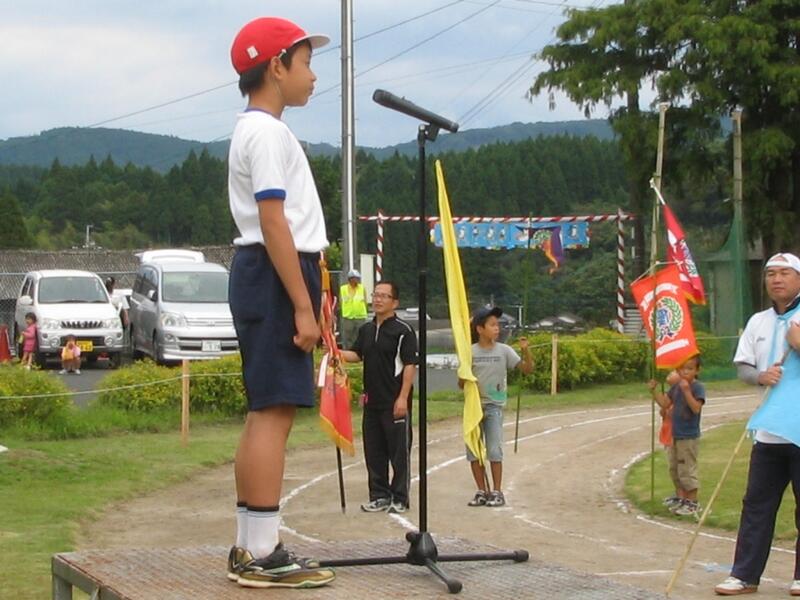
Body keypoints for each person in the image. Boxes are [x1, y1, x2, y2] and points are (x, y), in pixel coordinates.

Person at [225, 16, 335, 589]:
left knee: (264, 409)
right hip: (275, 273)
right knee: (275, 411)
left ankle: (250, 543)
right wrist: (302, 305)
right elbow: (274, 221)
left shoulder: (255, 129)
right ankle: (263, 552)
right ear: (276, 66)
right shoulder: (266, 132)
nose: (313, 76)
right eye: (306, 63)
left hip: (266, 272)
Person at [715, 252, 800, 596]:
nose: (776, 279)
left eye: (784, 273)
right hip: (769, 431)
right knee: (756, 505)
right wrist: (760, 376)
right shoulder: (758, 322)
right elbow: (744, 368)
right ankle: (745, 574)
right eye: (770, 274)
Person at [339, 281, 418, 514]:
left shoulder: (403, 331)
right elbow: (357, 354)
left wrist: (403, 398)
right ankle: (379, 494)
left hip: (394, 401)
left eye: (384, 296)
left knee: (399, 452)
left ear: (395, 302)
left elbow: (410, 365)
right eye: (375, 295)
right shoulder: (367, 329)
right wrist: (336, 352)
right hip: (372, 401)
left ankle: (400, 497)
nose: (378, 299)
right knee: (374, 452)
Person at [463, 306, 533, 508]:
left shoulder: (504, 350)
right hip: (474, 407)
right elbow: (461, 382)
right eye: (492, 325)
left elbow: (527, 369)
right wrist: (466, 377)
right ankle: (481, 491)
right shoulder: (469, 352)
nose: (497, 328)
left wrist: (526, 350)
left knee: (494, 449)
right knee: (474, 451)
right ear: (480, 329)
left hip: (494, 406)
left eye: (498, 325)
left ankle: (497, 491)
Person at [649, 355, 705, 517]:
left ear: (697, 371)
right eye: (682, 369)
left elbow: (696, 408)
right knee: (674, 468)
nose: (685, 372)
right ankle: (681, 497)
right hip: (675, 433)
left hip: (688, 435)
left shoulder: (697, 387)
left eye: (690, 369)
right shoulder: (675, 387)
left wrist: (687, 391)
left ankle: (692, 502)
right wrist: (654, 391)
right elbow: (665, 403)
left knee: (687, 469)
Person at [339, 269, 368, 349]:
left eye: (358, 278)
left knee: (360, 335)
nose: (357, 280)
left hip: (360, 316)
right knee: (348, 336)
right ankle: (349, 351)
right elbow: (341, 301)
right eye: (356, 278)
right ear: (351, 279)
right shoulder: (343, 289)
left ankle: (359, 351)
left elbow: (365, 301)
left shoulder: (362, 288)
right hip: (348, 316)